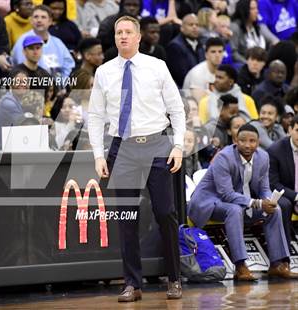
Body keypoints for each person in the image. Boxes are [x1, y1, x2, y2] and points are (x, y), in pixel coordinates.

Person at [88, 16, 185, 301]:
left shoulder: (157, 66)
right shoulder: (104, 72)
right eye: (119, 32)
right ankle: (132, 283)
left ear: (139, 37)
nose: (123, 36)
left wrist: (177, 145)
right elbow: (95, 116)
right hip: (122, 147)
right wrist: (98, 154)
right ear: (114, 37)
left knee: (165, 213)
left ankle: (174, 279)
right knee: (127, 217)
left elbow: (176, 109)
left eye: (129, 32)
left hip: (156, 143)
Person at [188, 123, 298, 281]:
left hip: (241, 203)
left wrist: (269, 200)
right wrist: (258, 203)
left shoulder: (263, 157)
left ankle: (278, 264)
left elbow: (264, 187)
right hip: (209, 202)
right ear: (235, 140)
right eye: (243, 140)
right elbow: (226, 194)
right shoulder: (224, 157)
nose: (247, 145)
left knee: (276, 210)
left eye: (252, 141)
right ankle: (240, 266)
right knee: (234, 210)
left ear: (258, 142)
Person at [268, 115, 298, 245]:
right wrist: (296, 196)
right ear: (290, 129)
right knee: (285, 205)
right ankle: (284, 248)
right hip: (285, 193)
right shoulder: (276, 150)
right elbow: (273, 183)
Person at [166, 14, 205, 88]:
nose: (195, 27)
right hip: (184, 89)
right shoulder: (175, 46)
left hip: (200, 86)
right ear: (182, 28)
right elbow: (181, 76)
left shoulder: (201, 44)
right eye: (191, 25)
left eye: (197, 25)